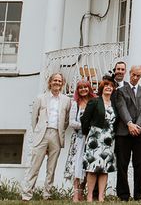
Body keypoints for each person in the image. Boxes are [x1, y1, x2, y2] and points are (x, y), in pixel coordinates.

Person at [21, 73, 71, 201]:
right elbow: (34, 119)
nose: (57, 83)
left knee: (51, 167)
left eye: (59, 81)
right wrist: (38, 132)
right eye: (55, 80)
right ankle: (26, 194)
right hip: (42, 134)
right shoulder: (41, 98)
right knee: (35, 166)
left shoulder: (66, 100)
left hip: (56, 135)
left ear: (62, 83)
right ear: (50, 82)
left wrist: (60, 132)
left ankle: (47, 195)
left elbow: (66, 121)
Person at [114, 65, 141, 201]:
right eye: (133, 75)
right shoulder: (120, 91)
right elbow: (121, 107)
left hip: (140, 133)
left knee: (139, 164)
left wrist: (138, 126)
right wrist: (129, 124)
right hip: (123, 132)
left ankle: (138, 195)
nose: (135, 78)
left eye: (138, 76)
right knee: (122, 164)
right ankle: (123, 195)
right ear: (129, 73)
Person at [81, 75, 118, 202]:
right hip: (95, 138)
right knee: (92, 167)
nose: (108, 87)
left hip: (109, 139)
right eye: (106, 85)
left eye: (111, 86)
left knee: (105, 168)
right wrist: (89, 134)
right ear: (102, 88)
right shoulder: (95, 101)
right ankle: (90, 195)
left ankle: (101, 196)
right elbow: (85, 119)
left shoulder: (114, 104)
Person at [65, 79, 96, 201]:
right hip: (78, 139)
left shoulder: (94, 102)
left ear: (89, 88)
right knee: (77, 165)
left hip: (91, 139)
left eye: (85, 87)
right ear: (78, 90)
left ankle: (83, 193)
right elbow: (72, 122)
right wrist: (85, 126)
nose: (83, 90)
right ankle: (75, 195)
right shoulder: (75, 104)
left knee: (87, 166)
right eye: (81, 88)